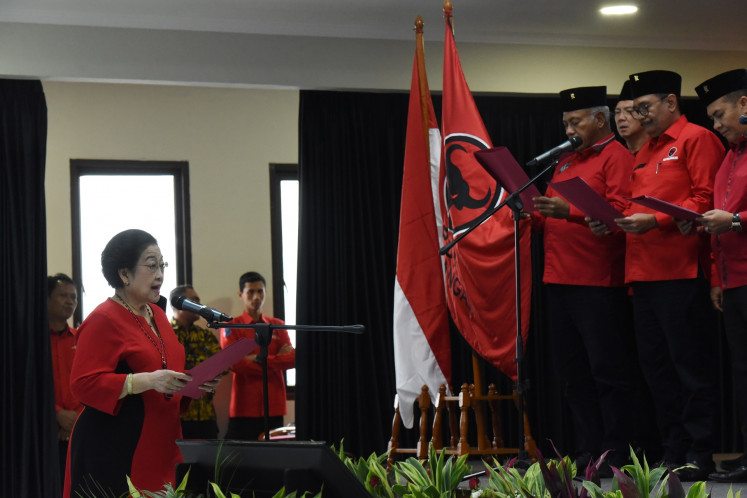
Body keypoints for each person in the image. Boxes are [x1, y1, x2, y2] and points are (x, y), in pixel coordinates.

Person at [613, 70, 725, 480]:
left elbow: (707, 199)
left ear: (671, 103)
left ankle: (701, 451)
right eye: (635, 109)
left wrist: (655, 220)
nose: (640, 116)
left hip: (681, 270)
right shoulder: (647, 149)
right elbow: (632, 203)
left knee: (689, 366)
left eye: (645, 107)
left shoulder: (695, 138)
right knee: (656, 370)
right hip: (643, 273)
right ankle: (673, 449)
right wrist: (615, 219)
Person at [531, 86, 639, 470]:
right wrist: (530, 213)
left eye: (575, 121)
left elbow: (622, 213)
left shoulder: (617, 156)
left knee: (608, 371)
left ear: (599, 119)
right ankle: (587, 451)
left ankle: (616, 451)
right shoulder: (563, 162)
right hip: (558, 279)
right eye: (564, 123)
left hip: (598, 281)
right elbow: (548, 217)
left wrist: (569, 211)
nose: (568, 129)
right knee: (572, 374)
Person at [63, 229, 218, 497]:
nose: (160, 274)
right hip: (116, 445)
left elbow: (164, 371)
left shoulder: (157, 313)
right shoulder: (103, 318)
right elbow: (82, 384)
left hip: (163, 439)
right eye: (151, 265)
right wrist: (146, 380)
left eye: (162, 265)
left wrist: (190, 383)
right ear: (124, 274)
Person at [693, 68, 747, 482]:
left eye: (718, 114)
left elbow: (732, 220)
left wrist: (736, 221)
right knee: (742, 372)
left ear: (744, 104)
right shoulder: (729, 155)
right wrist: (715, 277)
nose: (715, 125)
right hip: (733, 283)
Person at [221, 271, 295, 441]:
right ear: (241, 294)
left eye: (260, 291)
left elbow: (292, 359)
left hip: (274, 404)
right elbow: (234, 364)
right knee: (240, 460)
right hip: (243, 406)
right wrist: (276, 359)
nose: (256, 297)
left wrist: (255, 358)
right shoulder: (231, 325)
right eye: (251, 292)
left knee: (274, 459)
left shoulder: (277, 325)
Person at [170, 284, 222, 439]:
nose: (201, 305)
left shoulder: (205, 335)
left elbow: (221, 365)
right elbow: (167, 367)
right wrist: (203, 364)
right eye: (195, 301)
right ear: (178, 304)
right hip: (177, 416)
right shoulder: (165, 334)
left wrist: (189, 365)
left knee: (210, 462)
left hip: (206, 414)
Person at [48, 273, 83, 478]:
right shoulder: (31, 340)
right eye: (63, 295)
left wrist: (77, 418)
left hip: (78, 432)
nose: (70, 301)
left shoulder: (82, 339)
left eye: (74, 297)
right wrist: (56, 414)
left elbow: (89, 382)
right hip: (43, 433)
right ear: (46, 298)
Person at [615, 80, 649, 154]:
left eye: (629, 111)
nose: (621, 118)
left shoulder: (659, 151)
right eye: (617, 112)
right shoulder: (618, 155)